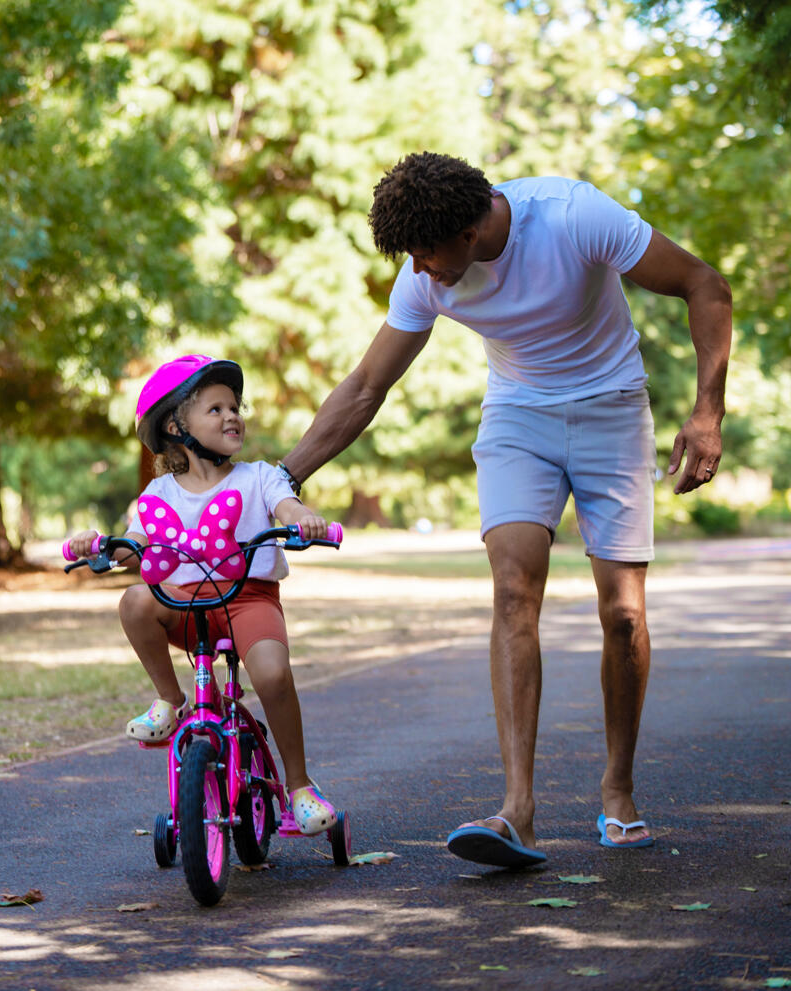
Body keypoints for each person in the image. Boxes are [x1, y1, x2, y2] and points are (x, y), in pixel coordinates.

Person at [275, 151, 732, 866]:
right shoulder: (424, 277)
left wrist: (708, 413)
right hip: (519, 416)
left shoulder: (573, 216)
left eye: (429, 255)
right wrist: (281, 476)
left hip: (612, 411)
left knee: (624, 614)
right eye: (414, 260)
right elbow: (366, 385)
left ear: (472, 224)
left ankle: (618, 785)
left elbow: (705, 284)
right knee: (515, 589)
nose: (423, 272)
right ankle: (517, 809)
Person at [67, 354, 337, 836]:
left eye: (236, 407)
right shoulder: (160, 494)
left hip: (249, 600)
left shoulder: (258, 477)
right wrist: (100, 546)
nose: (232, 415)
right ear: (176, 425)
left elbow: (287, 503)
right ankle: (170, 702)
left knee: (273, 676)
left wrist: (304, 518)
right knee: (133, 599)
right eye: (216, 409)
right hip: (186, 605)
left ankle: (299, 787)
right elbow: (137, 548)